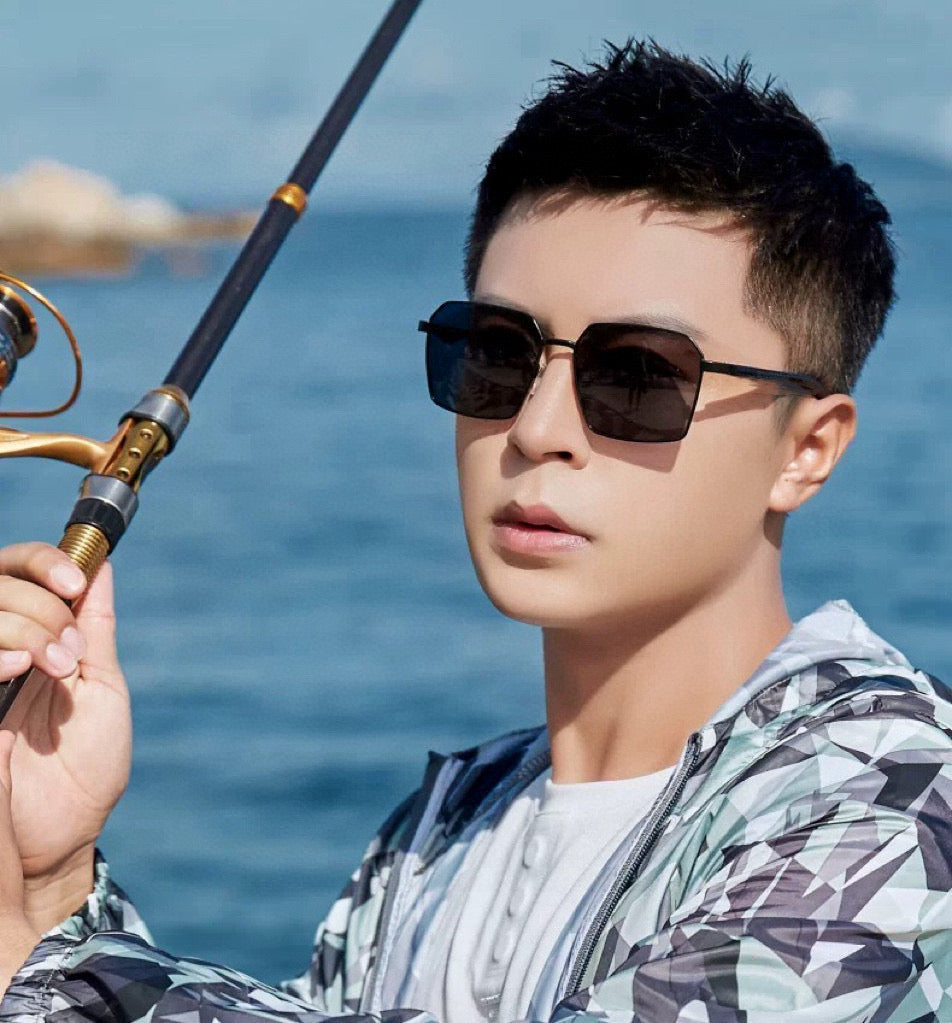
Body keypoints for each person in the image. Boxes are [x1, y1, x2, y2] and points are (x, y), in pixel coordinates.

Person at [0, 39, 950, 1023]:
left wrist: (30, 970)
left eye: (636, 375)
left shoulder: (902, 796)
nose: (536, 429)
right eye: (497, 353)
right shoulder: (447, 826)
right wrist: (53, 881)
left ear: (807, 448)